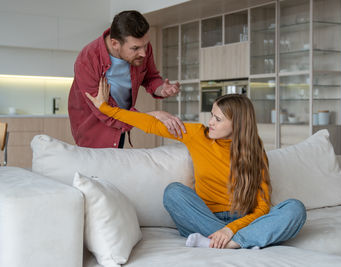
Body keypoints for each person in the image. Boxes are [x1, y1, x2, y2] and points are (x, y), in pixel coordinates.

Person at [86, 78, 307, 249]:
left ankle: (225, 243)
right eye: (212, 115)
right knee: (174, 192)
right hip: (202, 216)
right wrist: (105, 108)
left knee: (295, 209)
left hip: (242, 218)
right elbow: (150, 125)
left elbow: (261, 208)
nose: (210, 122)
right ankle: (241, 242)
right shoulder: (197, 134)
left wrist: (231, 231)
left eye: (218, 119)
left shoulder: (255, 151)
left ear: (237, 124)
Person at [68, 10, 185, 148]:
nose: (143, 53)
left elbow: (151, 77)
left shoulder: (141, 48)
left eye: (146, 45)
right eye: (135, 48)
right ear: (115, 44)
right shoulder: (87, 60)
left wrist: (162, 88)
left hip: (123, 124)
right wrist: (151, 116)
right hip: (94, 130)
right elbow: (105, 111)